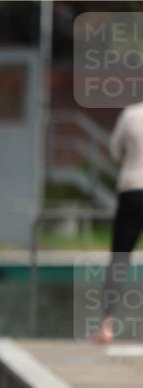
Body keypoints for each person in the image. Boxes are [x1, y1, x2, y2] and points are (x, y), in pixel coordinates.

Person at [95, 102, 143, 344]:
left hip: (132, 189)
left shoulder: (131, 114)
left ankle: (107, 327)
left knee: (119, 259)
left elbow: (115, 150)